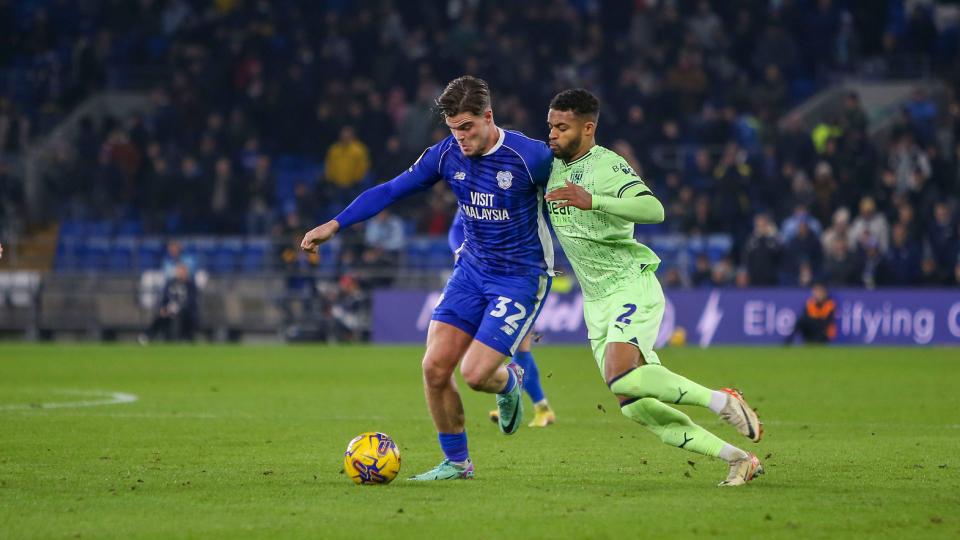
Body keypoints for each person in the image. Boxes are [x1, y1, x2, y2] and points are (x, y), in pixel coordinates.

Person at [301, 76, 554, 480]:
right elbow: (390, 191)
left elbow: (578, 186)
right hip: (471, 271)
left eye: (467, 127)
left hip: (519, 277)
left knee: (474, 375)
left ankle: (508, 382)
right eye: (454, 129)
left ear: (489, 117)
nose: (461, 138)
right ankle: (457, 463)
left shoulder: (531, 157)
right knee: (435, 368)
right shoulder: (446, 154)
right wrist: (335, 224)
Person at [543, 89, 763, 487]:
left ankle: (723, 401)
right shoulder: (550, 165)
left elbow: (654, 209)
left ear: (588, 128)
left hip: (630, 284)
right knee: (634, 405)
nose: (553, 134)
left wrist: (594, 201)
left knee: (620, 375)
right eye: (550, 126)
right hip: (595, 302)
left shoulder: (608, 166)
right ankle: (738, 459)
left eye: (562, 127)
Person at [447, 209, 557, 427]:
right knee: (519, 349)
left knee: (522, 347)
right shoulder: (475, 199)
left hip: (521, 278)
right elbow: (456, 229)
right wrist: (459, 251)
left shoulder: (520, 200)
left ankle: (538, 407)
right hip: (484, 278)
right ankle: (538, 406)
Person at [139, 263, 198, 343]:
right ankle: (147, 336)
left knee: (183, 316)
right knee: (160, 316)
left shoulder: (190, 284)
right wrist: (164, 308)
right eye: (179, 271)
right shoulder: (170, 283)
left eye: (182, 272)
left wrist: (178, 308)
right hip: (170, 310)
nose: (180, 274)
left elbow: (191, 301)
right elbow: (165, 298)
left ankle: (185, 337)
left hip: (186, 312)